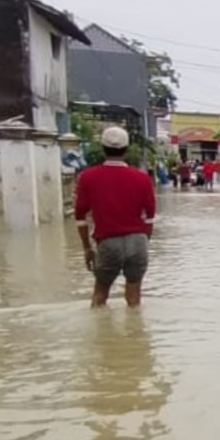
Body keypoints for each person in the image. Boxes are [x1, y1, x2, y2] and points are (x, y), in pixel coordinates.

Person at [74, 125, 156, 308]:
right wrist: (142, 241)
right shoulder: (142, 178)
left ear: (102, 148)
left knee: (100, 295)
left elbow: (80, 216)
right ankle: (134, 334)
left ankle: (100, 334)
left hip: (108, 242)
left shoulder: (88, 177)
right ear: (126, 149)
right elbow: (150, 217)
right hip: (138, 241)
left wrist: (87, 248)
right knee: (134, 299)